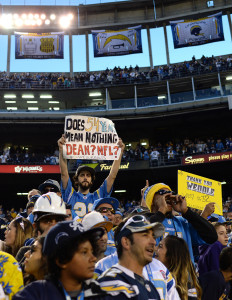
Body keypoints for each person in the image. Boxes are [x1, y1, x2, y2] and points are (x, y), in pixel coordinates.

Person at [13, 220, 107, 299]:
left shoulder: (97, 291)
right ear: (61, 260)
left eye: (92, 251)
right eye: (84, 252)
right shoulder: (34, 294)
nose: (93, 258)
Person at [95, 215, 180, 300]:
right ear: (126, 242)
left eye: (153, 236)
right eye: (145, 235)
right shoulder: (111, 282)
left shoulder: (149, 286)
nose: (153, 242)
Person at [143, 182, 218, 262]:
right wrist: (161, 211)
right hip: (159, 273)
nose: (169, 195)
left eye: (171, 193)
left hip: (185, 274)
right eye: (163, 192)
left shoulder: (183, 222)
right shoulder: (144, 221)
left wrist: (186, 212)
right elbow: (140, 237)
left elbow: (212, 237)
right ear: (152, 201)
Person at [57, 134, 125, 218]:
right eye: (82, 175)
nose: (85, 177)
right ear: (76, 179)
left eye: (88, 175)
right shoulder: (70, 195)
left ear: (91, 180)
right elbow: (64, 174)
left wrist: (120, 152)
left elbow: (112, 175)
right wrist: (61, 150)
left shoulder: (98, 196)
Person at [156, 235, 202, 300]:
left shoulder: (188, 286)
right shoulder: (155, 276)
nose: (155, 248)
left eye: (160, 246)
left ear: (171, 255)